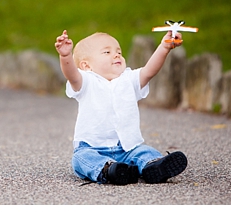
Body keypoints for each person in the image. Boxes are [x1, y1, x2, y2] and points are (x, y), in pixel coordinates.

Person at [54, 28, 188, 185]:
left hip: (127, 148)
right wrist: (65, 56)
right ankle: (108, 170)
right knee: (81, 159)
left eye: (118, 51)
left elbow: (149, 71)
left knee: (144, 151)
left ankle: (153, 166)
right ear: (86, 65)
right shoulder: (86, 81)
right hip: (92, 148)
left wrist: (164, 47)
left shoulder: (128, 80)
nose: (116, 55)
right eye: (107, 52)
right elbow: (71, 74)